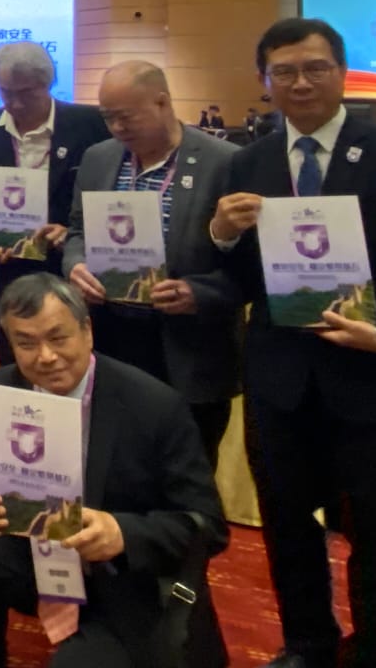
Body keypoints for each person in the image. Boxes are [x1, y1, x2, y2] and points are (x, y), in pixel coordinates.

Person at [210, 17, 376, 668]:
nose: (300, 83)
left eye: (315, 68)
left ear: (342, 73)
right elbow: (243, 282)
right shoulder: (248, 163)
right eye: (284, 72)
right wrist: (222, 234)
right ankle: (307, 645)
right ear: (265, 81)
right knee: (287, 528)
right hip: (282, 383)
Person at [0, 273, 229, 668]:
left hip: (121, 578)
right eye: (26, 343)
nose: (45, 357)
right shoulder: (5, 386)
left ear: (87, 331)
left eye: (58, 338)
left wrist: (122, 532)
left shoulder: (155, 405)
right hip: (36, 556)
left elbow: (208, 526)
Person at [62, 61, 241, 468]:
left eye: (127, 116)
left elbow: (251, 265)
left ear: (162, 102)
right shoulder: (98, 158)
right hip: (112, 334)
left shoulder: (225, 162)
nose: (117, 127)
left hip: (187, 345)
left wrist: (200, 293)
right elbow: (77, 230)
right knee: (113, 462)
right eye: (108, 117)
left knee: (187, 469)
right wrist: (75, 265)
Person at [0, 41, 112, 361]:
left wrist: (72, 235)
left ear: (48, 83)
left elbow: (110, 193)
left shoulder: (89, 125)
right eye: (6, 93)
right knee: (16, 362)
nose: (16, 103)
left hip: (73, 273)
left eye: (27, 93)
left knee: (71, 361)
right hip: (12, 271)